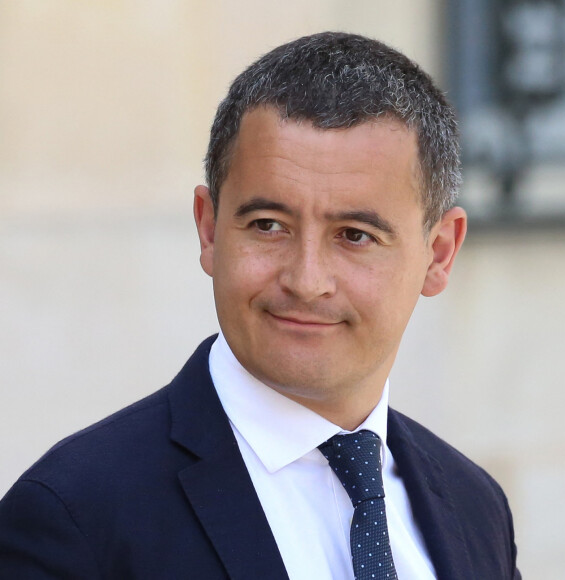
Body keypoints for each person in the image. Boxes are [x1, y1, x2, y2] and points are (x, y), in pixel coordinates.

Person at [0, 32, 520, 579]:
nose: (306, 280)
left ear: (438, 254)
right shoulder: (74, 519)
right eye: (268, 225)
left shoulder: (475, 506)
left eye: (355, 235)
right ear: (208, 228)